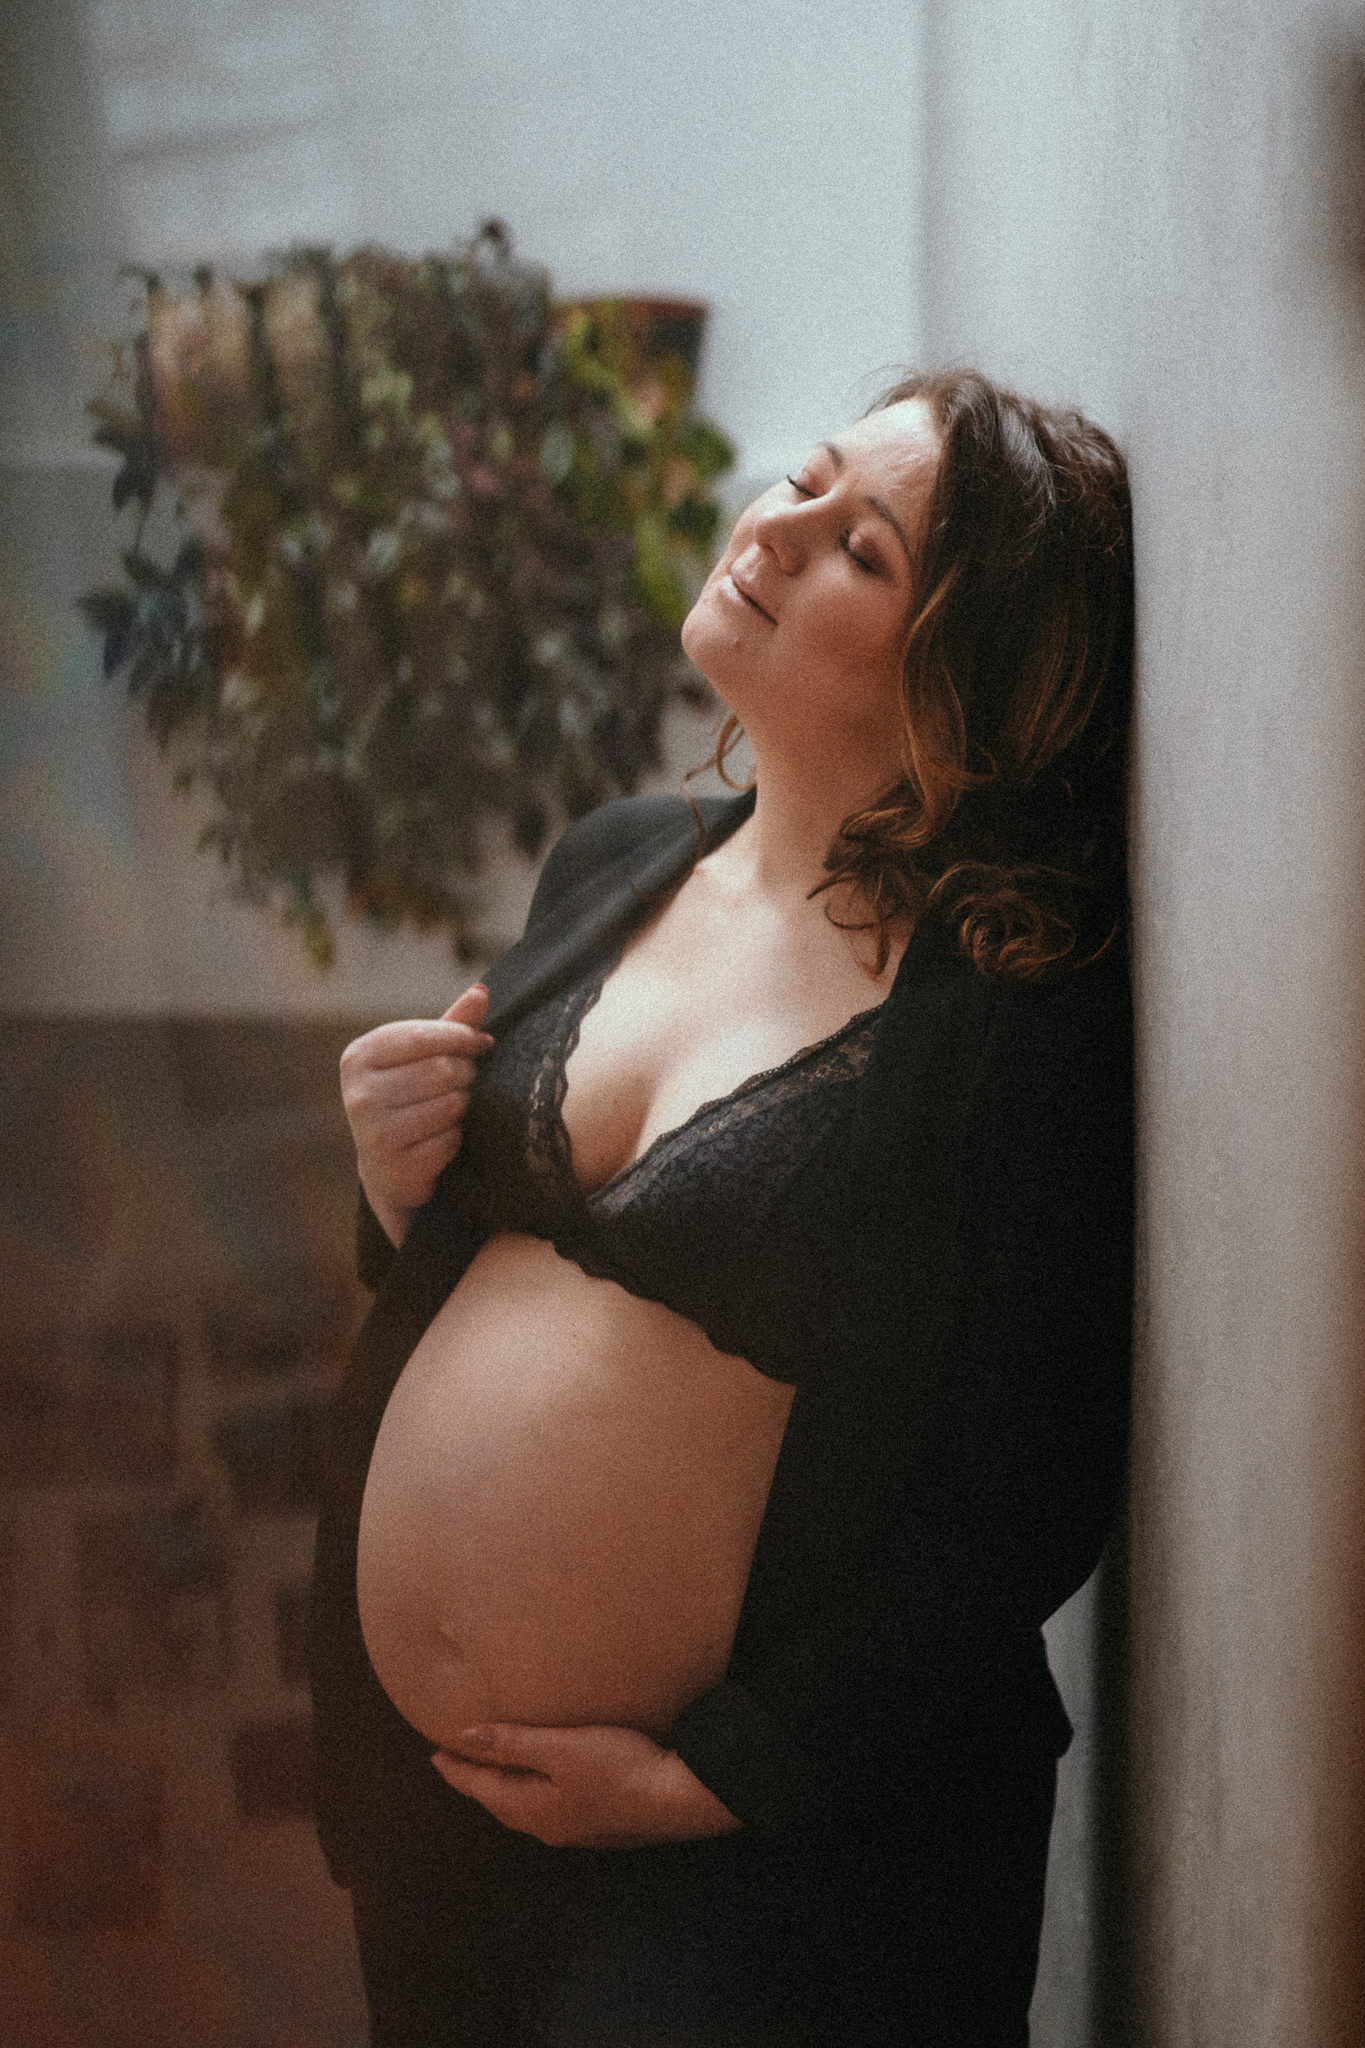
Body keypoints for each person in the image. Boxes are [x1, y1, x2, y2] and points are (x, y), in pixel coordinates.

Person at [308, 368, 1136, 2048]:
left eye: (864, 549)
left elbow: (1028, 1483)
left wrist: (714, 1782)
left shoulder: (1006, 1005)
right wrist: (391, 1188)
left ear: (962, 676)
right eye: (805, 481)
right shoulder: (620, 855)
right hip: (435, 1832)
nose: (779, 529)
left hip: (763, 1877)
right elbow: (479, 1272)